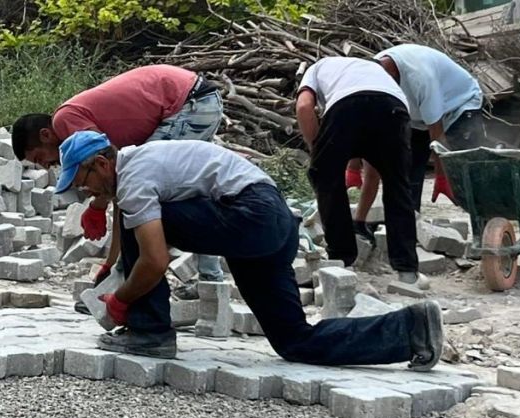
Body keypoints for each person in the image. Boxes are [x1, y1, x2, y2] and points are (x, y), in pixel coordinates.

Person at [54, 130, 443, 371]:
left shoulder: (136, 175)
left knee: (146, 226)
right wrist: (99, 210)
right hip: (272, 224)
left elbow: (155, 259)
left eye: (82, 180)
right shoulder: (137, 167)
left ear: (102, 163)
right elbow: (126, 202)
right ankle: (411, 329)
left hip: (251, 215)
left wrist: (121, 300)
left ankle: (150, 331)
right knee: (294, 341)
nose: (83, 189)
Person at [12, 64, 226, 295]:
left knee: (149, 194)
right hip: (198, 99)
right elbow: (118, 182)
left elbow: (116, 181)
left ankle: (134, 287)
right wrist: (109, 259)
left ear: (46, 135)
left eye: (39, 157)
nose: (46, 166)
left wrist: (98, 207)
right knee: (185, 191)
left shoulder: (64, 121)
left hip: (187, 103)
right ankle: (210, 281)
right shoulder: (78, 121)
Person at [295, 57, 421, 284]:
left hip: (346, 106)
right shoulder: (374, 71)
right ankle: (407, 270)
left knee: (326, 177)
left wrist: (317, 151)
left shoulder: (316, 68)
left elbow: (304, 106)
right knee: (397, 184)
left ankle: (341, 261)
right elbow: (373, 169)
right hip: (394, 107)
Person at [352, 44, 487, 237]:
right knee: (407, 172)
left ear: (390, 76)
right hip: (418, 116)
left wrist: (442, 176)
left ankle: (484, 233)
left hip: (459, 105)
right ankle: (409, 230)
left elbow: (437, 133)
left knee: (464, 170)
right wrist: (353, 166)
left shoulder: (421, 77)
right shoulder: (373, 70)